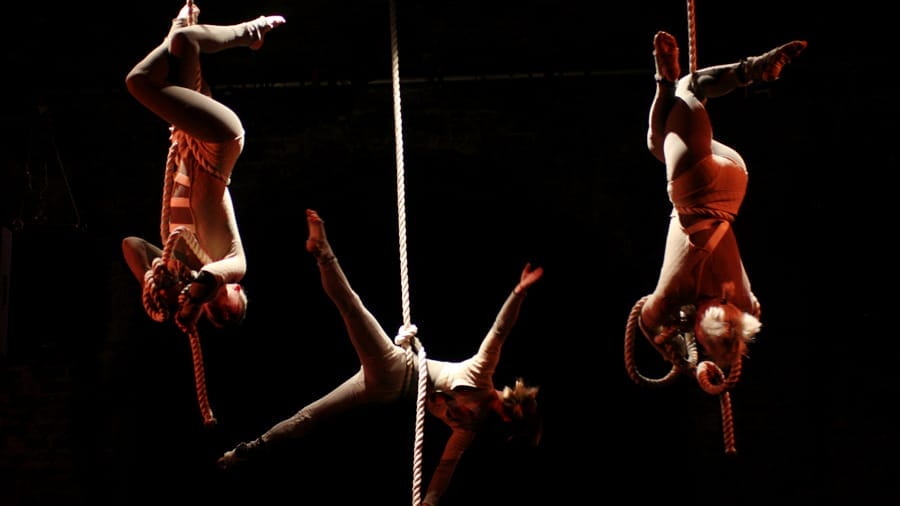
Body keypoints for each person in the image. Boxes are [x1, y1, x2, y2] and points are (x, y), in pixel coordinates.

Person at [217, 209, 544, 506]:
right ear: (508, 408)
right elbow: (499, 332)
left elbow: (446, 466)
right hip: (396, 367)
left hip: (385, 389)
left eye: (506, 418)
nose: (501, 412)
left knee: (311, 416)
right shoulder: (480, 375)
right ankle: (322, 253)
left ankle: (246, 453)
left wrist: (428, 503)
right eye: (507, 413)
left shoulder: (467, 427)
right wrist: (519, 292)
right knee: (351, 310)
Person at [638, 31, 807, 369]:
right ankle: (746, 70)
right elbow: (647, 321)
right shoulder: (673, 296)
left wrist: (710, 349)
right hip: (695, 185)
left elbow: (741, 324)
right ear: (698, 330)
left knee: (659, 143)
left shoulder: (744, 303)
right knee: (687, 89)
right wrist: (674, 351)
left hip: (733, 183)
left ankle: (666, 84)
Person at [121, 3, 285, 328]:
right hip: (218, 144)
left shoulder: (179, 261)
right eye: (232, 308)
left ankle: (177, 26)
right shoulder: (233, 264)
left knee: (180, 44)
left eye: (220, 315)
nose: (223, 308)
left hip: (187, 137)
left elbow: (133, 245)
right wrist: (190, 306)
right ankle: (251, 32)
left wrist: (153, 283)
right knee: (142, 78)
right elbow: (208, 279)